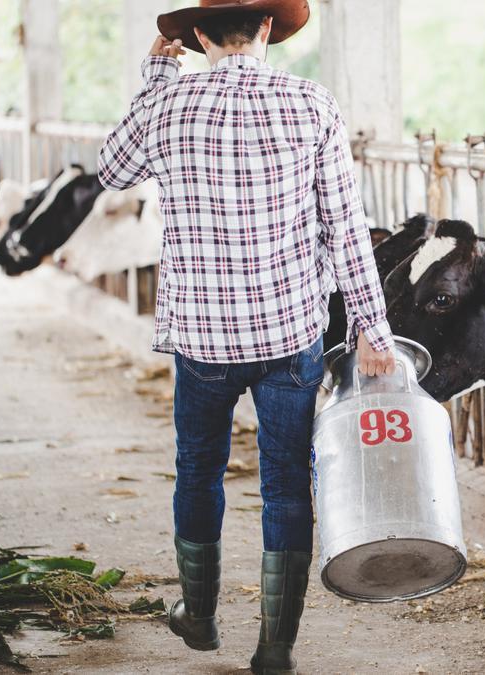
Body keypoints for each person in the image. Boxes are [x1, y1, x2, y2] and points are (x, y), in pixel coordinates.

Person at [97, 1, 396, 672]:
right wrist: (373, 328)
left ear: (198, 36)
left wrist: (156, 67)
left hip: (202, 339)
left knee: (197, 470)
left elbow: (108, 170)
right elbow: (346, 227)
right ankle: (275, 648)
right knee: (287, 482)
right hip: (291, 334)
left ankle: (199, 615)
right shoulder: (312, 104)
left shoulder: (167, 105)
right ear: (267, 30)